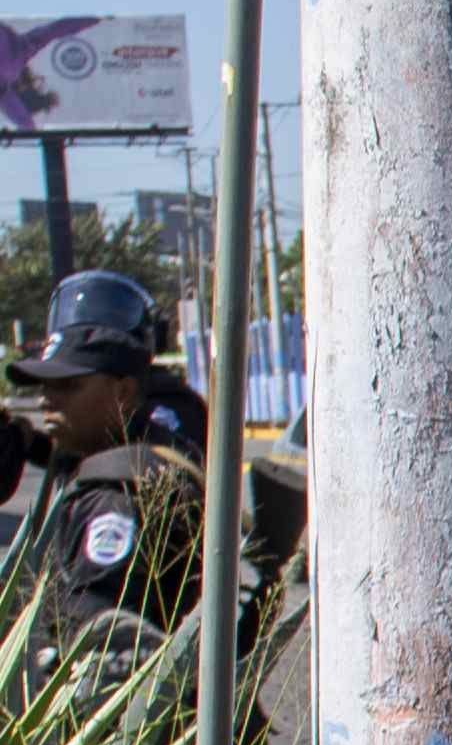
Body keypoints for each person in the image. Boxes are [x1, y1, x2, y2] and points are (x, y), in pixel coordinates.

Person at [11, 269, 293, 637]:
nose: (47, 399)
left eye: (68, 385)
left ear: (124, 393)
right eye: (45, 386)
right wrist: (29, 442)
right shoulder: (120, 445)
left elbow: (101, 627)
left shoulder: (118, 492)